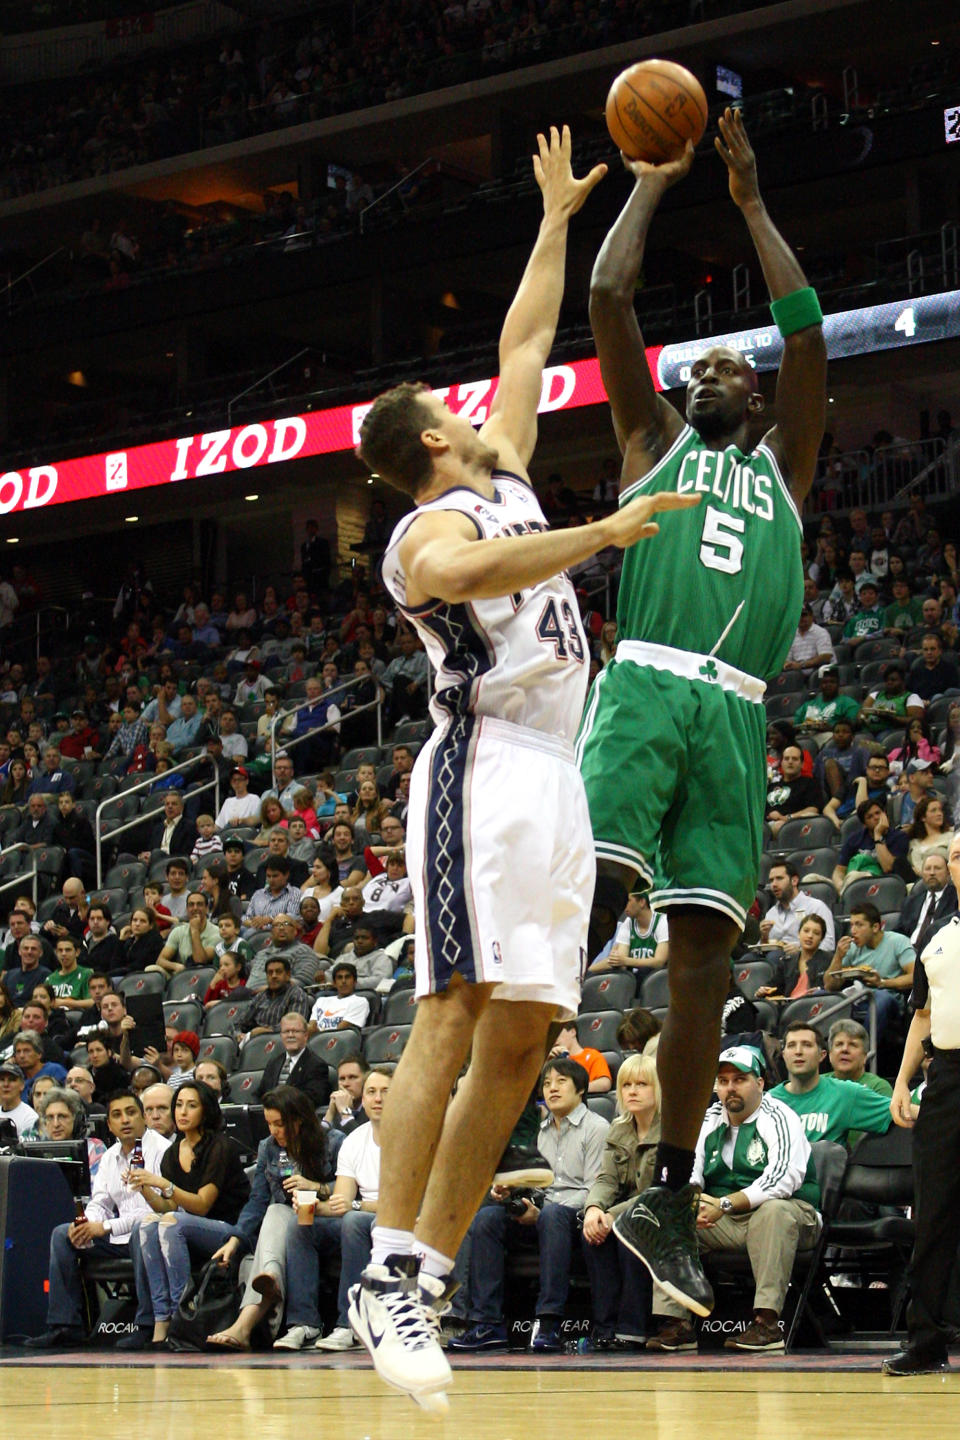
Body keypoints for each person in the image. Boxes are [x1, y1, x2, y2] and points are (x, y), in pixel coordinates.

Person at [574, 106, 826, 1325]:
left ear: (758, 393)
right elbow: (612, 297)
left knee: (702, 974)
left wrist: (752, 200)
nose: (706, 370)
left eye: (729, 364)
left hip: (737, 719)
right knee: (595, 900)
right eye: (698, 367)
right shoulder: (647, 439)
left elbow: (808, 329)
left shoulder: (791, 464)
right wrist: (656, 180)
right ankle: (503, 1021)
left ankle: (665, 1192)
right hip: (649, 682)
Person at [647, 1046, 820, 1353]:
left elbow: (781, 1180)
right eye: (723, 1081)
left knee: (774, 1211)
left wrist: (722, 1204)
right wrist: (694, 1202)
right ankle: (678, 1324)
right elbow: (687, 1172)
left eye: (740, 1079)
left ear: (761, 1083)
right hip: (728, 1220)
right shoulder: (709, 1119)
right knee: (674, 1215)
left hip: (793, 1216)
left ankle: (767, 1324)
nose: (730, 1088)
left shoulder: (780, 1116)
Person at [450, 1057, 608, 1353]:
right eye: (547, 1083)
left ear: (581, 1089)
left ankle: (549, 1322)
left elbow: (594, 1190)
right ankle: (488, 1324)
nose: (552, 1089)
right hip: (542, 1213)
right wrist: (512, 1192)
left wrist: (543, 1207)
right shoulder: (539, 1129)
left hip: (576, 1220)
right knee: (487, 1218)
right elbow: (536, 1181)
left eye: (561, 1082)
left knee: (553, 1215)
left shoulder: (597, 1128)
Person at [886, 832, 960, 1373]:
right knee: (933, 1211)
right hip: (949, 1077)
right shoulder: (936, 933)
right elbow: (923, 1016)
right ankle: (926, 1339)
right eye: (956, 854)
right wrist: (902, 1081)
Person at [24, 1090, 172, 1351]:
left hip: (154, 1236)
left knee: (142, 1227)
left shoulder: (163, 1150)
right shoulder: (109, 1156)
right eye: (117, 1115)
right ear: (110, 1124)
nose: (125, 1120)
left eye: (131, 1112)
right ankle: (66, 1326)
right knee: (63, 1234)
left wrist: (103, 1226)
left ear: (143, 1117)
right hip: (118, 1237)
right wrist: (85, 1224)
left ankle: (147, 1325)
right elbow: (100, 1202)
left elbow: (159, 1212)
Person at [206, 1087, 336, 1351]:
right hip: (284, 1219)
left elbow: (348, 1188)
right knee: (275, 1211)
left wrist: (314, 1186)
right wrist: (235, 1239)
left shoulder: (332, 1141)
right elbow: (258, 1200)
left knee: (280, 1218)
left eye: (280, 1124)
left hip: (323, 1217)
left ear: (299, 1119)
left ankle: (246, 1321)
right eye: (269, 1124)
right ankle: (267, 1283)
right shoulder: (268, 1147)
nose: (274, 1131)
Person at [277, 1066, 393, 1352]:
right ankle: (305, 1323)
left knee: (354, 1221)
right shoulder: (355, 1140)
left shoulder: (413, 1137)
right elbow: (342, 1200)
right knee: (302, 1225)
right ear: (361, 1100)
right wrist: (316, 1207)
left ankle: (350, 1325)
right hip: (361, 1215)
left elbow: (407, 1204)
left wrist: (355, 1206)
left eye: (386, 1092)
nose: (378, 1099)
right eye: (372, 1092)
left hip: (401, 1220)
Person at [128, 1079, 251, 1346]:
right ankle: (162, 1317)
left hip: (230, 1230)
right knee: (148, 1223)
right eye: (179, 1105)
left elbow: (202, 1204)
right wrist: (145, 1188)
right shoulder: (172, 1153)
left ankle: (185, 1316)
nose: (182, 1112)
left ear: (205, 1111)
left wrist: (163, 1184)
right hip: (191, 1227)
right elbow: (168, 1207)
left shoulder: (220, 1146)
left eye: (191, 1106)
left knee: (172, 1224)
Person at [580, 1052, 660, 1349]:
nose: (633, 1091)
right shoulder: (619, 1128)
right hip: (622, 1211)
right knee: (592, 1233)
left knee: (628, 1229)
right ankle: (605, 1327)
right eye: (626, 1085)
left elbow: (659, 1190)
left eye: (642, 1084)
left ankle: (633, 1329)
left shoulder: (671, 1129)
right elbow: (606, 1179)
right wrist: (593, 1209)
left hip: (658, 1211)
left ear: (658, 1089)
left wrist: (612, 1214)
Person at [770, 1022, 893, 1144]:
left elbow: (900, 1113)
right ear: (783, 1055)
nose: (798, 1051)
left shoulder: (846, 1093)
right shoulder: (769, 1101)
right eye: (791, 1045)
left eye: (807, 1045)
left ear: (822, 1055)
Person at [824, 903, 915, 1039]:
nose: (853, 931)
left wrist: (882, 983)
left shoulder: (898, 941)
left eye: (859, 925)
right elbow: (830, 986)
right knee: (822, 997)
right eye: (852, 925)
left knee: (880, 999)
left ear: (875, 927)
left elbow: (915, 976)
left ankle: (864, 1053)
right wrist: (838, 956)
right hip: (858, 997)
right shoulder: (852, 947)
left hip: (889, 998)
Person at [257, 1013, 331, 1107]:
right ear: (281, 1035)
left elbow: (313, 1100)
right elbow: (260, 1094)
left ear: (306, 1035)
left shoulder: (316, 1065)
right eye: (286, 1031)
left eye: (295, 1031)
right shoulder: (273, 1063)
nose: (290, 1035)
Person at [589, 890, 668, 973]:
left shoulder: (662, 921)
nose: (624, 906)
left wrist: (626, 961)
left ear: (641, 902)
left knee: (644, 971)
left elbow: (659, 962)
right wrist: (588, 972)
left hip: (656, 979)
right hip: (633, 979)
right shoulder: (628, 923)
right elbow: (619, 961)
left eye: (628, 901)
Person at [0, 1060, 38, 1136]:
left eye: (12, 1080)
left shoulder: (30, 1117)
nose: (6, 1084)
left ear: (22, 1085)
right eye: (2, 1080)